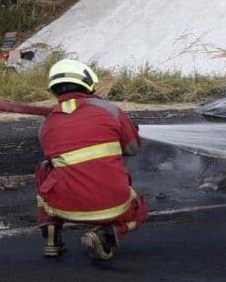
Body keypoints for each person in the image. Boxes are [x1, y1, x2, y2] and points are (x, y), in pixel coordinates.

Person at [36, 59, 148, 261]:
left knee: (44, 169)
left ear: (54, 89)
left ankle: (51, 234)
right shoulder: (110, 110)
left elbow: (52, 158)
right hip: (113, 204)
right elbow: (133, 149)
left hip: (64, 206)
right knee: (139, 209)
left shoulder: (48, 122)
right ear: (88, 83)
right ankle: (105, 234)